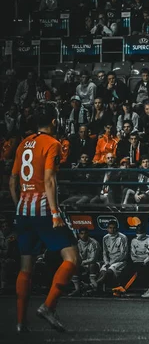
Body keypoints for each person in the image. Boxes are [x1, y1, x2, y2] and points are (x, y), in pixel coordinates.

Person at [9, 103, 80, 332]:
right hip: (43, 209)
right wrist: (55, 212)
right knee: (71, 258)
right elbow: (49, 180)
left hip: (23, 210)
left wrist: (19, 205)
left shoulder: (23, 143)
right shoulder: (53, 144)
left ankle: (21, 322)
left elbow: (12, 181)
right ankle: (48, 306)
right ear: (54, 121)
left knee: (25, 265)